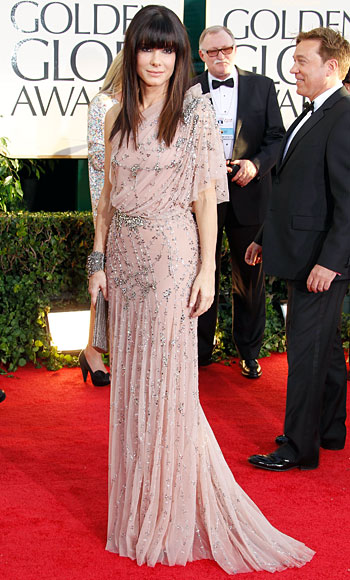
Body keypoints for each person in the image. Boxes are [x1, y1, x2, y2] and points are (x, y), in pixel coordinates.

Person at [87, 5, 314, 574]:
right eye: (147, 47)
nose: (157, 59)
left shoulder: (195, 112)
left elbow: (205, 200)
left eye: (167, 49)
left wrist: (205, 270)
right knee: (133, 382)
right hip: (125, 261)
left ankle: (170, 510)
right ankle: (140, 506)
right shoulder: (114, 116)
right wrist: (97, 261)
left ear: (180, 55)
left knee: (167, 387)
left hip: (171, 259)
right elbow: (107, 198)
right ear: (132, 51)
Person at [246, 27, 350, 471]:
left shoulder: (343, 116)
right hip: (301, 250)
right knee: (323, 349)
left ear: (330, 67)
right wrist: (263, 238)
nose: (293, 69)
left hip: (320, 260)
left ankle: (298, 447)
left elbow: (349, 199)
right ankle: (329, 429)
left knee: (306, 350)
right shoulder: (313, 112)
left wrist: (331, 262)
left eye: (301, 61)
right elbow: (295, 188)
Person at [195, 25, 285, 378]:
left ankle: (249, 351)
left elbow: (277, 137)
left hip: (249, 192)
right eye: (212, 51)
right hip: (202, 198)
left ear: (235, 49)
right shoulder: (188, 89)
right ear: (201, 55)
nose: (221, 56)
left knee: (249, 276)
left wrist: (256, 165)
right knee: (203, 271)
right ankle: (201, 351)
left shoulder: (262, 86)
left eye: (226, 49)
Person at [79, 52, 123, 387]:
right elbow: (97, 154)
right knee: (104, 278)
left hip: (139, 208)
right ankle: (94, 352)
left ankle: (107, 351)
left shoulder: (150, 104)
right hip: (108, 206)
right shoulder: (103, 103)